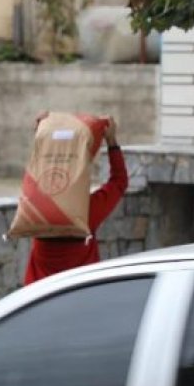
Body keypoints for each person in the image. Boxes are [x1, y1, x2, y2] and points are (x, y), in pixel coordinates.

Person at [24, 114, 128, 285]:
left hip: (37, 301)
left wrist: (42, 135)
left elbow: (38, 168)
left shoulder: (39, 209)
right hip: (78, 297)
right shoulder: (87, 211)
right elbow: (119, 182)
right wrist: (112, 142)